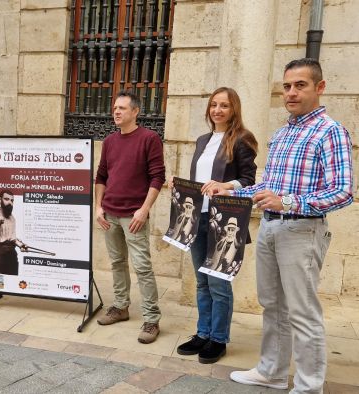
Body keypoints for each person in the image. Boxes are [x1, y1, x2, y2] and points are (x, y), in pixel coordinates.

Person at [214, 59, 353, 393]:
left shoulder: (330, 132)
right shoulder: (282, 134)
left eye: (300, 85)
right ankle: (272, 372)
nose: (291, 92)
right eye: (287, 86)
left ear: (319, 87)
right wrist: (231, 187)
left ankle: (308, 386)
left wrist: (289, 202)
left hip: (302, 230)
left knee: (302, 312)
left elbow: (344, 191)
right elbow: (268, 189)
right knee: (272, 305)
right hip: (272, 229)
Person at [171, 87, 257, 363]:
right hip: (197, 218)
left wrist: (226, 186)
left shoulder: (242, 140)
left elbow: (249, 179)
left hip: (223, 220)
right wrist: (180, 185)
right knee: (201, 282)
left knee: (219, 284)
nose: (217, 110)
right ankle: (203, 333)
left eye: (224, 106)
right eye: (213, 105)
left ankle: (218, 339)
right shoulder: (202, 140)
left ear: (234, 110)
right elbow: (201, 179)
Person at [95, 90, 165, 344]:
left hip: (134, 215)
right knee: (116, 263)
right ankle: (121, 306)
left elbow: (158, 177)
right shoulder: (110, 141)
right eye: (115, 108)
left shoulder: (149, 139)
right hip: (109, 214)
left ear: (135, 112)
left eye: (122, 108)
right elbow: (101, 175)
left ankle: (151, 319)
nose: (116, 112)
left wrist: (144, 209)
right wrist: (98, 207)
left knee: (143, 267)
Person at [0, 189, 28, 276]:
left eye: (12, 200)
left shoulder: (12, 218)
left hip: (11, 254)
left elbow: (12, 238)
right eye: (6, 199)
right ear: (0, 200)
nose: (10, 202)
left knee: (12, 280)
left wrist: (21, 245)